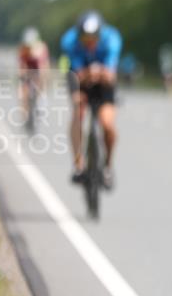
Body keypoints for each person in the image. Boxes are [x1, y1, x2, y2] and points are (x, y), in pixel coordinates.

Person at [60, 11, 122, 189]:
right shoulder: (70, 41)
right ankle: (79, 165)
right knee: (78, 108)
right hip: (80, 79)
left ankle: (108, 166)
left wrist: (101, 73)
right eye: (85, 39)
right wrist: (88, 74)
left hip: (103, 83)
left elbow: (110, 75)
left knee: (108, 124)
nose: (89, 43)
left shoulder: (112, 39)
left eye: (93, 39)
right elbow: (77, 73)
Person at [18, 27, 49, 116]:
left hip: (38, 67)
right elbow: (21, 64)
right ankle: (25, 108)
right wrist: (22, 74)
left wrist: (41, 75)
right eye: (27, 46)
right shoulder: (22, 49)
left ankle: (41, 99)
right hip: (28, 67)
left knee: (42, 76)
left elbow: (43, 65)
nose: (29, 48)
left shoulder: (41, 48)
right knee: (23, 86)